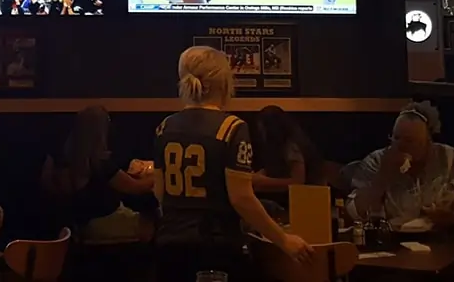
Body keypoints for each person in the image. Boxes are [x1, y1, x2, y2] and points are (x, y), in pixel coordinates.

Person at [154, 46, 311, 280]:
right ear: (225, 82)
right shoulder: (231, 128)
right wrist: (284, 240)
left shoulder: (165, 127)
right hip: (215, 244)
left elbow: (159, 191)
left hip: (169, 244)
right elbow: (241, 198)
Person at [346, 101, 454, 226]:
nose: (400, 145)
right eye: (396, 138)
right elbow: (353, 213)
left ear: (428, 142)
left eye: (409, 141)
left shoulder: (452, 159)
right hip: (391, 239)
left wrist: (450, 220)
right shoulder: (376, 161)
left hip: (444, 237)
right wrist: (381, 179)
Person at [41, 106, 155, 241]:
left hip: (80, 227)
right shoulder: (99, 163)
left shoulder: (63, 161)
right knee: (154, 221)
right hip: (106, 223)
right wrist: (158, 175)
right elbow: (137, 188)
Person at [252, 105, 325, 207]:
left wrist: (263, 181)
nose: (261, 134)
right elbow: (276, 168)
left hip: (305, 201)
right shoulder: (280, 146)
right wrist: (260, 175)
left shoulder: (292, 147)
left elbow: (298, 182)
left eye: (263, 130)